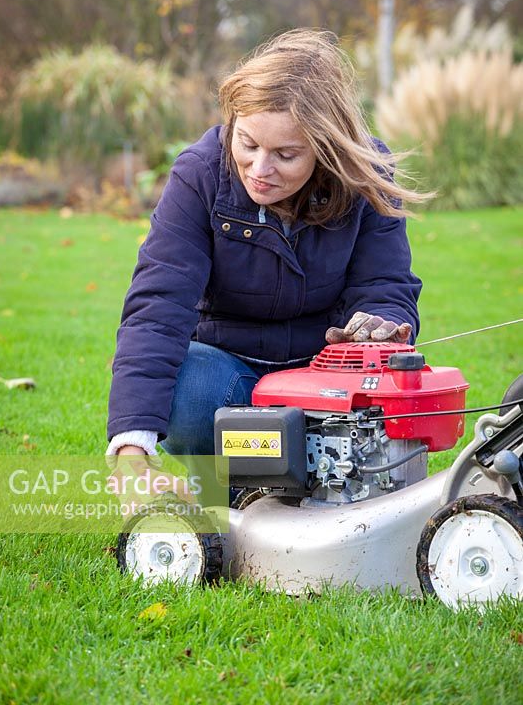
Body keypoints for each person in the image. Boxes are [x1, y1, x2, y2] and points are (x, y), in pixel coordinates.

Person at [106, 29, 425, 464]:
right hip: (224, 369)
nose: (260, 169)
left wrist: (383, 325)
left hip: (325, 375)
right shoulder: (198, 175)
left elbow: (385, 285)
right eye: (248, 143)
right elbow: (159, 304)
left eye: (286, 154)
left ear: (325, 147)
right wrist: (131, 442)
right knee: (191, 393)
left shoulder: (365, 177)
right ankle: (235, 485)